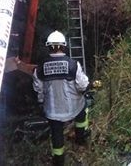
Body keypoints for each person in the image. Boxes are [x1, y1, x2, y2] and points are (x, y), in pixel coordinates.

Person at [32, 31, 89, 166]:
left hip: (52, 112)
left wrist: (41, 102)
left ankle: (58, 160)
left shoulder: (40, 68)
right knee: (83, 109)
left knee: (56, 134)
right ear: (64, 46)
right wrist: (85, 90)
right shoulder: (73, 65)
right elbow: (82, 85)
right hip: (74, 108)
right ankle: (80, 138)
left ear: (49, 47)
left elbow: (38, 89)